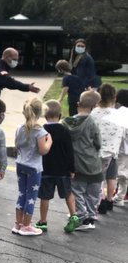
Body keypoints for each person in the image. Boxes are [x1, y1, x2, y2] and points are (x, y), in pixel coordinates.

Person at [35, 99, 79, 233]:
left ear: (44, 115)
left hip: (46, 169)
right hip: (63, 170)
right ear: (60, 116)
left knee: (45, 196)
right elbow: (69, 151)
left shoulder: (41, 130)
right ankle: (73, 215)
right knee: (68, 193)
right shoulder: (65, 131)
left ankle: (43, 221)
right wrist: (72, 169)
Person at [12, 99, 52, 236]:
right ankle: (27, 225)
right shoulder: (40, 132)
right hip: (34, 167)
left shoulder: (19, 128)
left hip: (20, 164)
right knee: (31, 196)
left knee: (22, 194)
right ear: (40, 113)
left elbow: (16, 144)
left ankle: (17, 224)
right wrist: (50, 141)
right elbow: (43, 150)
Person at [64, 89, 102, 228]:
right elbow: (98, 142)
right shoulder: (92, 122)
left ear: (78, 103)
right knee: (93, 192)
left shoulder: (67, 122)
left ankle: (81, 214)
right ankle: (91, 216)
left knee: (77, 191)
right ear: (94, 107)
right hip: (93, 162)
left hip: (76, 162)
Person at [91, 83, 123, 213]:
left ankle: (99, 200)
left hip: (97, 151)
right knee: (111, 178)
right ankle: (109, 200)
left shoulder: (94, 113)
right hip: (113, 152)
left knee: (98, 179)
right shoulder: (119, 115)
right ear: (114, 98)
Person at [0, 48, 40, 113]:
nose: (16, 62)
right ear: (6, 57)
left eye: (17, 60)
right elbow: (10, 82)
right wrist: (27, 87)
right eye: (14, 59)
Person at [114, 88, 128, 204]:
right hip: (124, 149)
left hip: (122, 149)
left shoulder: (120, 114)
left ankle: (119, 197)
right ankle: (120, 195)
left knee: (121, 173)